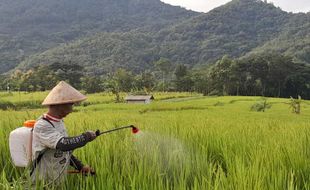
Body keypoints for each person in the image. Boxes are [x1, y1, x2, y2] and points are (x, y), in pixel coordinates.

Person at [31, 81, 97, 184]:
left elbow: (65, 152)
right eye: (71, 104)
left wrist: (80, 166)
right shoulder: (42, 125)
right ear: (59, 105)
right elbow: (63, 144)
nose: (71, 109)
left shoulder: (59, 122)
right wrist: (86, 137)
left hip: (56, 181)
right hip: (41, 182)